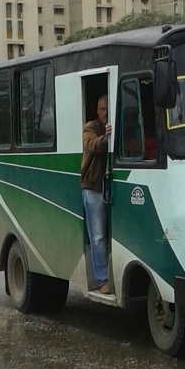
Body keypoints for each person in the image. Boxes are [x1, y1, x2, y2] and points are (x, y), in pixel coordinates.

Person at [81, 95, 112, 294]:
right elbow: (92, 145)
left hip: (111, 186)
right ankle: (102, 280)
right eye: (102, 109)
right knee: (98, 236)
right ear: (97, 111)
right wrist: (105, 137)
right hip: (93, 187)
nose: (105, 113)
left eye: (108, 109)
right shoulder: (90, 127)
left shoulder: (118, 124)